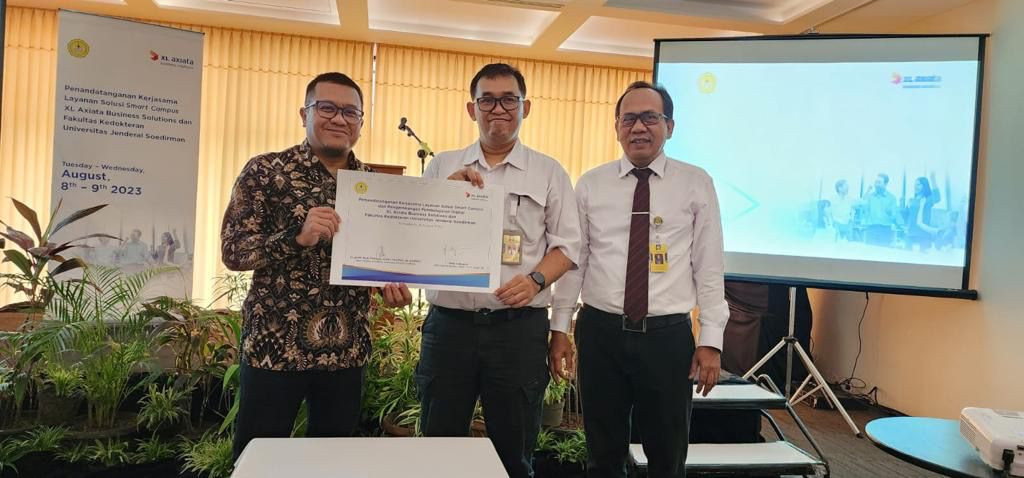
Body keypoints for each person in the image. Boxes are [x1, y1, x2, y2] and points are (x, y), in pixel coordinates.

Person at [221, 72, 412, 460]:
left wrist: (391, 287)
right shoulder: (265, 171)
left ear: (360, 123)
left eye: (350, 112)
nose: (339, 119)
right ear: (304, 114)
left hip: (347, 351)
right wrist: (297, 237)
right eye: (327, 108)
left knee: (332, 461)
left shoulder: (376, 186)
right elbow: (234, 251)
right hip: (275, 346)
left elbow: (380, 259)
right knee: (260, 458)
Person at [553, 81, 729, 478]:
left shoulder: (695, 182)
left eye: (650, 117)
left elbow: (709, 265)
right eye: (628, 118)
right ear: (616, 126)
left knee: (667, 456)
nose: (638, 127)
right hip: (600, 333)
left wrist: (711, 340)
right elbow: (576, 261)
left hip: (667, 339)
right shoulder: (591, 184)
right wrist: (560, 327)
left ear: (670, 126)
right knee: (602, 454)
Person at [417, 63, 581, 478]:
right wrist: (444, 196)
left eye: (509, 99)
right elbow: (418, 240)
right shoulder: (442, 166)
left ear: (526, 107)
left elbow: (568, 246)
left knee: (514, 453)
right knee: (438, 449)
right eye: (487, 100)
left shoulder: (549, 172)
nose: (498, 109)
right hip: (449, 328)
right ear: (471, 109)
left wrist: (536, 280)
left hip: (517, 331)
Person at [861, 173, 903, 247]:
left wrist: (891, 214)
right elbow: (862, 206)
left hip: (885, 230)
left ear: (885, 184)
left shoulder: (892, 198)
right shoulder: (870, 197)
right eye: (876, 182)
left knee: (883, 252)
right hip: (871, 229)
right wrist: (868, 191)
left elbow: (894, 215)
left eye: (879, 182)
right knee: (869, 252)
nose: (876, 184)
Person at [905, 175, 941, 252]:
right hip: (910, 234)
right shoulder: (911, 200)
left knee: (923, 257)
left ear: (924, 186)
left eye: (918, 184)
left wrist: (933, 179)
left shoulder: (928, 200)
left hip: (924, 235)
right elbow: (906, 217)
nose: (915, 187)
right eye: (915, 184)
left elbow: (937, 197)